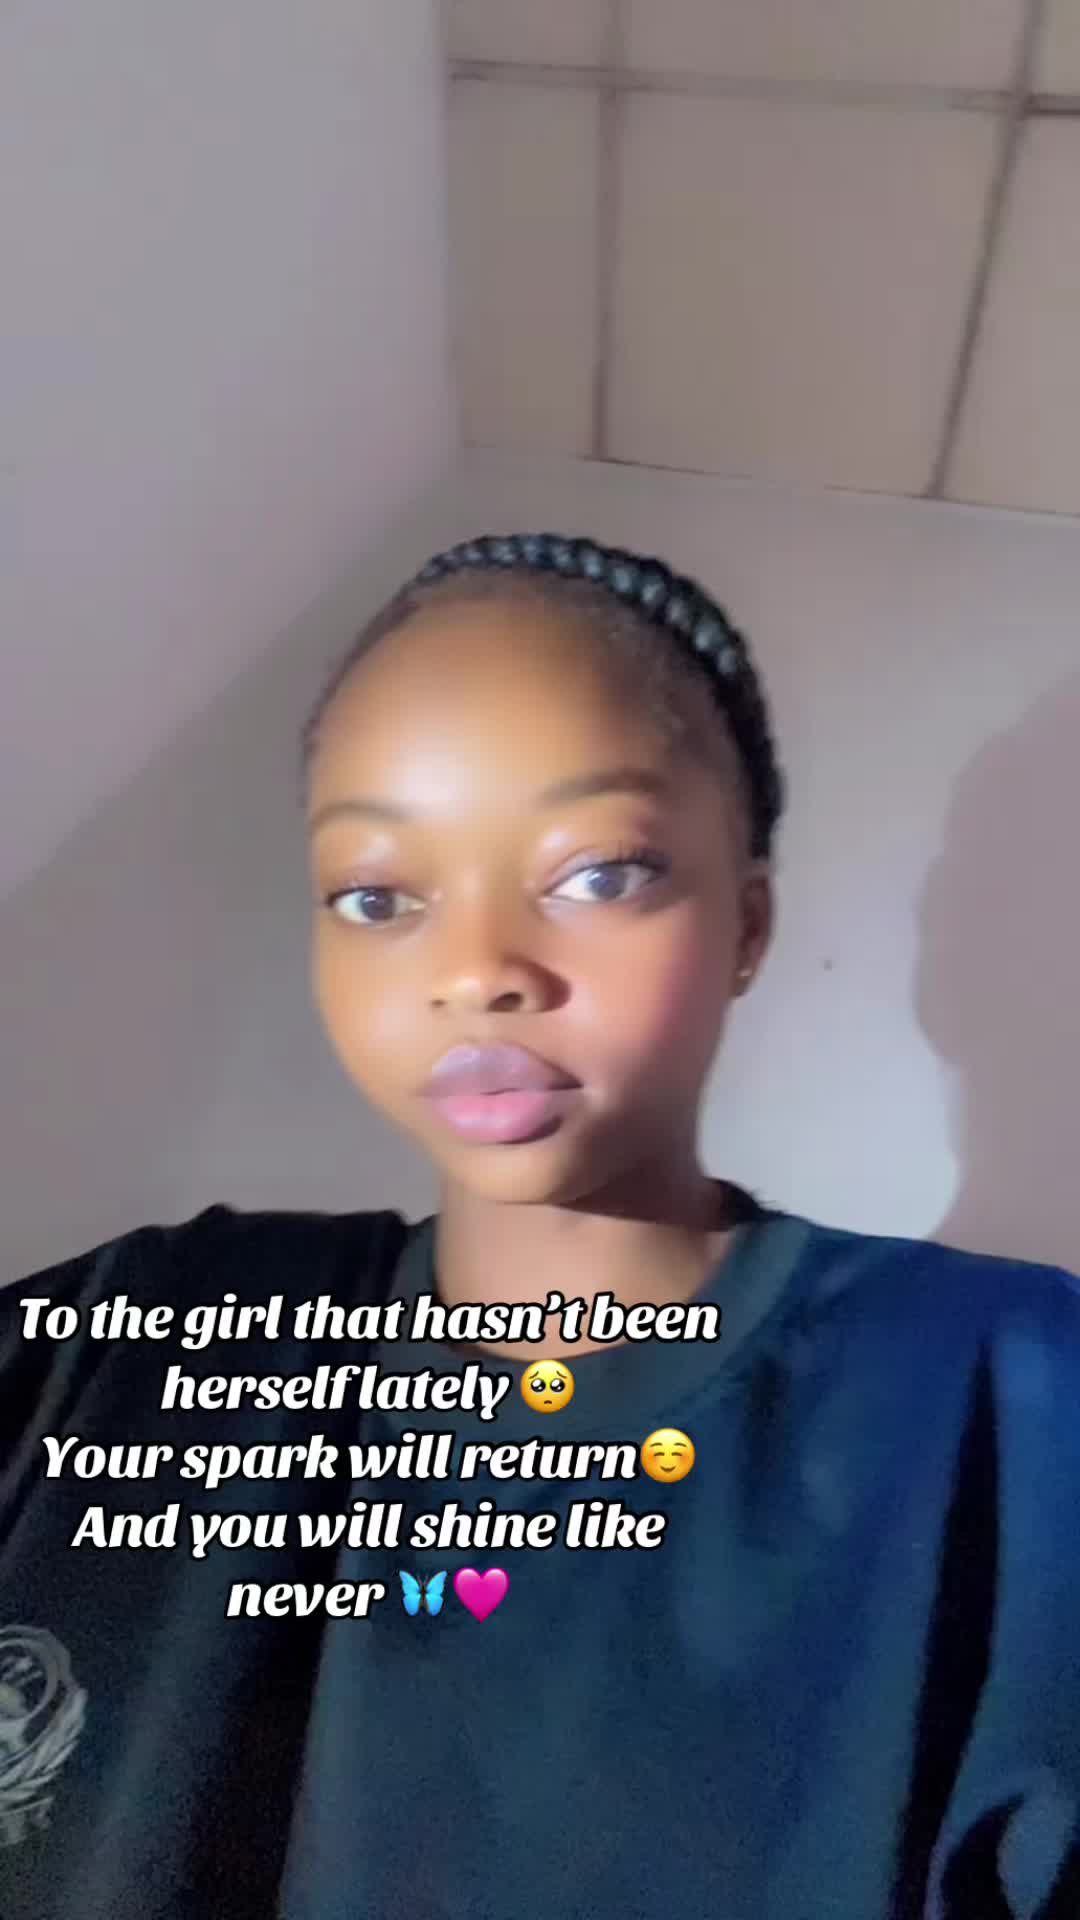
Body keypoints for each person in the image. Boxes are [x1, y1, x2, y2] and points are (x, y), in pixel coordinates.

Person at [1, 531, 1078, 1920]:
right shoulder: (125, 1340)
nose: (477, 973)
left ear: (749, 924)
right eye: (377, 896)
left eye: (599, 873)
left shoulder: (1012, 1400)